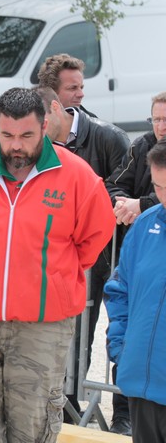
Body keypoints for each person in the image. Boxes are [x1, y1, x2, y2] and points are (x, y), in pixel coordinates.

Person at [0, 87, 115, 441]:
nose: (16, 145)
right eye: (7, 135)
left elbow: (94, 237)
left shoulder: (77, 176)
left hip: (42, 325)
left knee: (32, 421)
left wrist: (53, 276)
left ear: (45, 127)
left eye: (26, 135)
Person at [36, 61, 130, 433]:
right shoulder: (39, 140)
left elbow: (125, 187)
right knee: (74, 334)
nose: (81, 94)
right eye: (72, 88)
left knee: (121, 332)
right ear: (52, 98)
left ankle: (123, 412)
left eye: (80, 88)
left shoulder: (108, 137)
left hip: (114, 255)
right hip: (71, 260)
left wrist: (100, 199)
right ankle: (66, 401)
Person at [104, 138, 166, 443]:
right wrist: (121, 347)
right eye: (157, 187)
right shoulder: (144, 227)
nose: (163, 197)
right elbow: (119, 290)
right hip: (142, 385)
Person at [106, 91, 166, 225]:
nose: (161, 127)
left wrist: (142, 205)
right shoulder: (141, 146)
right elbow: (114, 185)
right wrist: (125, 207)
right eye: (156, 120)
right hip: (142, 232)